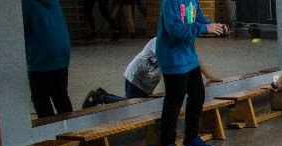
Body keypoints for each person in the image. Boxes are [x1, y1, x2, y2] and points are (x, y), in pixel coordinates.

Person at [156, 0, 229, 146]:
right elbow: (175, 29)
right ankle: (167, 145)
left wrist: (215, 26)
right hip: (173, 58)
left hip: (189, 57)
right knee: (174, 101)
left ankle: (190, 137)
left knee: (197, 95)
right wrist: (204, 29)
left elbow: (199, 20)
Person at [81, 39, 222, 109]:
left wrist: (208, 76)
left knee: (137, 104)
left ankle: (104, 95)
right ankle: (101, 98)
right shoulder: (160, 41)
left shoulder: (181, 44)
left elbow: (194, 60)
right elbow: (171, 65)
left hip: (148, 81)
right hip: (137, 76)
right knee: (133, 106)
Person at [19, 0, 73, 119]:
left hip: (42, 54)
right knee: (60, 94)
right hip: (62, 51)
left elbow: (19, 27)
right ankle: (71, 130)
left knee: (40, 98)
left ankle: (48, 135)